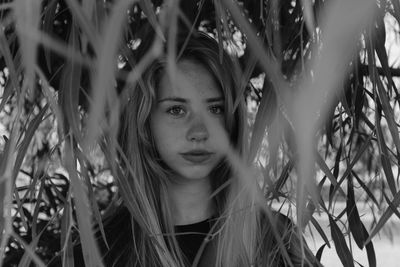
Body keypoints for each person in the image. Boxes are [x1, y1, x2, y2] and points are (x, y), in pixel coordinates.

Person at [53, 30, 319, 267]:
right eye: (177, 110)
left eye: (215, 109)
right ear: (145, 121)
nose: (200, 132)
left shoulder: (273, 239)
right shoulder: (100, 250)